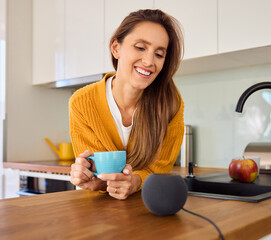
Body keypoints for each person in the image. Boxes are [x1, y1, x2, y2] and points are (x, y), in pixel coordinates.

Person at [69, 9, 185, 200]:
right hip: (94, 208)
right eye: (140, 47)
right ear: (116, 48)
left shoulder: (171, 104)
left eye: (159, 54)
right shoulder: (82, 102)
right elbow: (95, 175)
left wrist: (136, 182)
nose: (149, 61)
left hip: (145, 208)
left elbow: (160, 168)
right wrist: (86, 175)